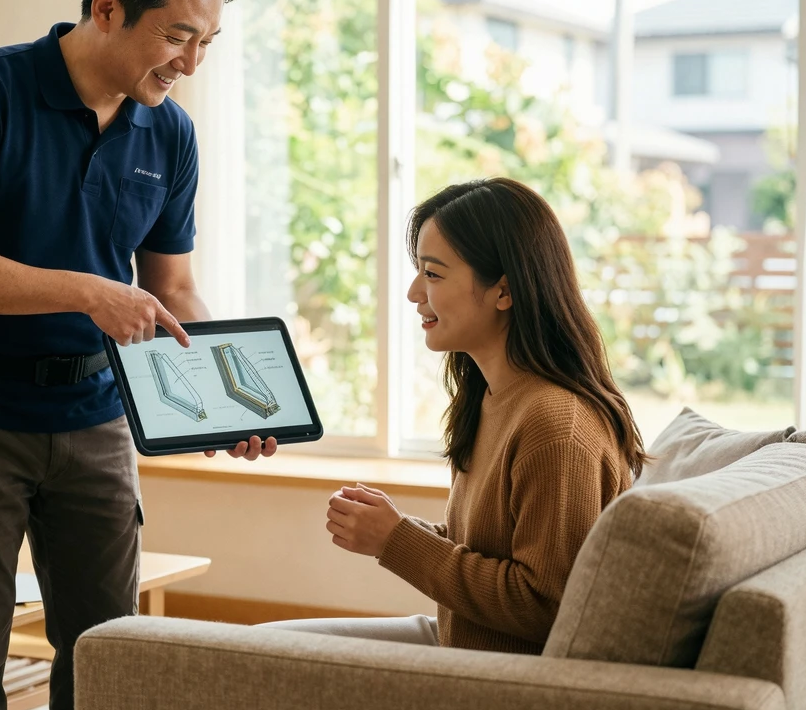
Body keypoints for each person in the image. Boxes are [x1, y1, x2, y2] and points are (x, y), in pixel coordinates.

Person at [0, 0, 275, 710]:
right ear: (107, 7)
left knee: (108, 652)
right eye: (178, 37)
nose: (191, 63)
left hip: (98, 417)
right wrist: (87, 291)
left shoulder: (170, 133)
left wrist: (222, 399)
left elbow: (172, 288)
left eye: (207, 43)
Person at [266, 177, 646, 653]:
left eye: (433, 274)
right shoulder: (492, 397)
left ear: (503, 291)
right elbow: (491, 549)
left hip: (497, 675)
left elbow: (544, 605)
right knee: (260, 648)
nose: (413, 292)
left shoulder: (556, 428)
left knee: (261, 662)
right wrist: (396, 530)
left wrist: (395, 540)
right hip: (459, 641)